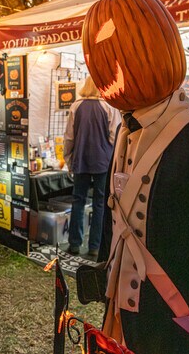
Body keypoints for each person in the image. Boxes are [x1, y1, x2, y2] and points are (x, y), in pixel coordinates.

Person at [81, 0, 189, 354]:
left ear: (154, 48)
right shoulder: (124, 132)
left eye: (109, 46)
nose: (99, 65)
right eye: (92, 56)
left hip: (178, 329)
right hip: (124, 323)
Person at [63, 76, 120, 256]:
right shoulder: (109, 107)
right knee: (100, 204)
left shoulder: (76, 106)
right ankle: (95, 246)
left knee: (78, 201)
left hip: (81, 160)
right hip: (103, 161)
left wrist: (67, 158)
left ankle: (74, 244)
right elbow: (114, 136)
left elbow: (69, 137)